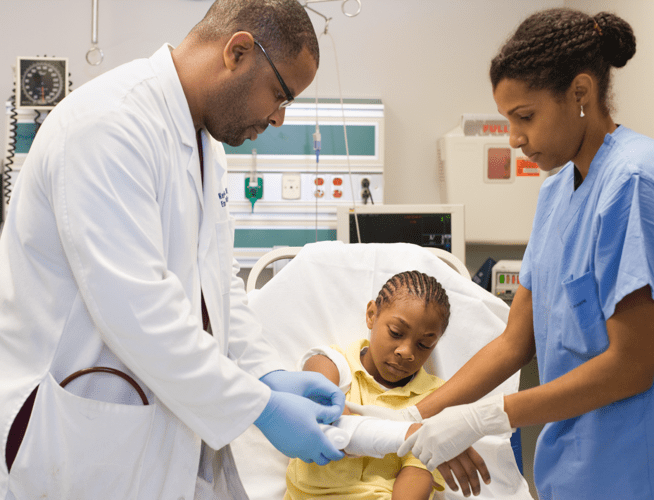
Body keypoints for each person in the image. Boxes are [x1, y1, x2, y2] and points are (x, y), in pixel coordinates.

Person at [0, 1, 346, 498]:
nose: (278, 119)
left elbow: (216, 283)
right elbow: (137, 310)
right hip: (78, 431)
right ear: (238, 51)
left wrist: (264, 372)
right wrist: (258, 407)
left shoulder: (205, 142)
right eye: (279, 94)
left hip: (154, 427)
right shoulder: (110, 125)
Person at [355, 8, 654, 500]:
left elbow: (634, 362)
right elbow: (516, 342)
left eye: (525, 117)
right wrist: (413, 414)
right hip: (568, 468)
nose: (514, 139)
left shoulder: (632, 182)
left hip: (629, 467)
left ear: (580, 93)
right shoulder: (556, 192)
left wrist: (491, 416)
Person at [285, 271, 455, 500]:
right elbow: (329, 418)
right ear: (371, 314)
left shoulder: (436, 397)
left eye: (424, 345)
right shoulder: (332, 363)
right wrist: (404, 433)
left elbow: (418, 472)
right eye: (396, 333)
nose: (406, 352)